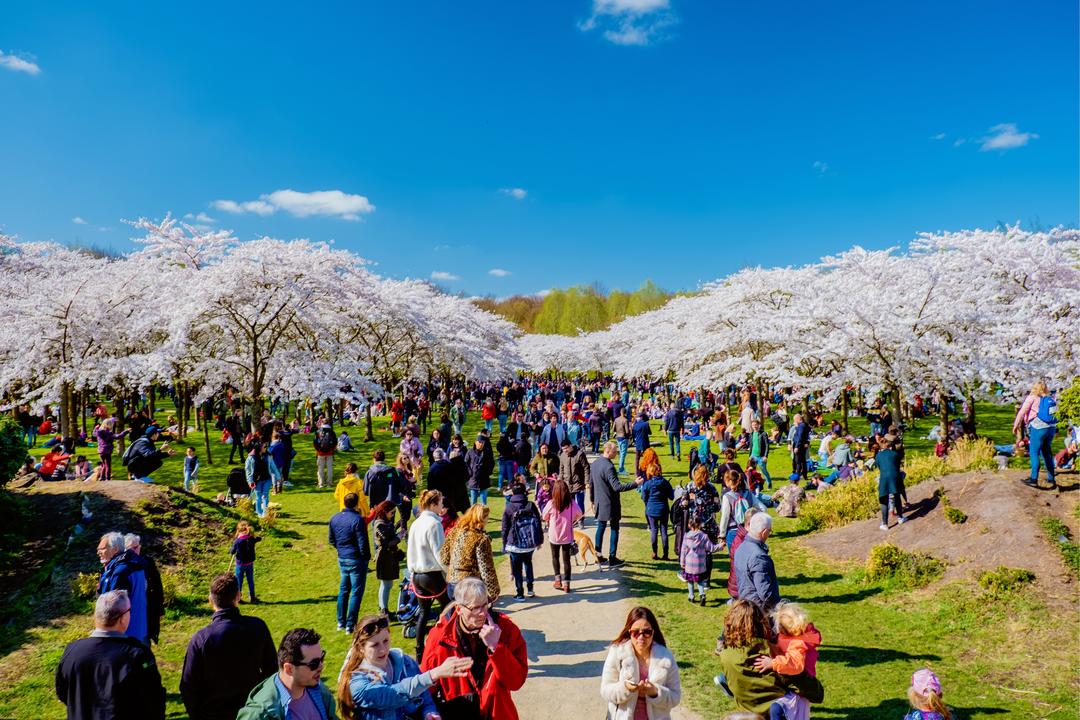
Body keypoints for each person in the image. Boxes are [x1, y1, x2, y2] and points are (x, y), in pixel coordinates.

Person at [420, 576, 529, 720]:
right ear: (459, 609)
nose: (483, 613)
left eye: (485, 605)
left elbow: (516, 682)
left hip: (498, 713)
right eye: (475, 608)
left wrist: (496, 648)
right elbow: (425, 689)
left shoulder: (506, 630)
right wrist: (429, 712)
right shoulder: (439, 638)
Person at [337, 613, 472, 720]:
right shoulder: (357, 681)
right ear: (361, 648)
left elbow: (426, 700)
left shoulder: (406, 662)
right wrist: (433, 674)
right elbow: (393, 694)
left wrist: (429, 713)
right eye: (375, 645)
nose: (383, 649)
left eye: (385, 641)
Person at [55, 590, 166, 720]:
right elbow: (153, 701)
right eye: (130, 611)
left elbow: (63, 693)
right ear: (123, 618)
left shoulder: (72, 651)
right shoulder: (137, 655)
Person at [181, 574, 277, 720]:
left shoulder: (201, 639)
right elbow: (272, 671)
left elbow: (188, 686)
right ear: (238, 596)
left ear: (210, 600)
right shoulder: (257, 627)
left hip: (213, 713)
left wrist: (197, 715)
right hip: (252, 711)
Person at [600, 606, 682, 720]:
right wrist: (625, 688)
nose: (641, 637)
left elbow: (675, 697)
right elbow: (605, 690)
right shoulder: (617, 653)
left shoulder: (666, 658)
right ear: (629, 633)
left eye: (646, 632)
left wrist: (655, 692)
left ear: (653, 632)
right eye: (635, 632)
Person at [236, 628, 338, 719]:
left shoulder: (320, 690)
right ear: (289, 669)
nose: (321, 666)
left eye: (322, 658)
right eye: (314, 663)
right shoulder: (261, 714)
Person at [715, 600, 794, 716]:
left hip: (747, 715)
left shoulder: (726, 655)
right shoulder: (775, 652)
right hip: (776, 714)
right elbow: (811, 690)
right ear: (762, 622)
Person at [752, 602, 822, 720]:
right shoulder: (796, 637)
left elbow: (795, 664)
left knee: (779, 709)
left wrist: (773, 663)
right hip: (795, 685)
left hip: (799, 689)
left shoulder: (798, 643)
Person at [406, 490, 451, 662]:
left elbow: (411, 550)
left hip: (417, 574)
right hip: (432, 575)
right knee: (448, 609)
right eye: (440, 503)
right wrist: (449, 572)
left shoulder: (416, 523)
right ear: (433, 505)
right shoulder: (434, 524)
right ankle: (446, 644)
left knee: (424, 613)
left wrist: (411, 573)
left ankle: (419, 651)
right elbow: (440, 553)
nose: (442, 507)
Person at [590, 441, 642, 568]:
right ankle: (612, 558)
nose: (616, 453)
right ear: (608, 451)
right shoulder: (609, 467)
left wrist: (592, 500)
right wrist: (635, 484)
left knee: (600, 528)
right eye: (615, 451)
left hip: (599, 501)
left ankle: (598, 555)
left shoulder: (595, 463)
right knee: (614, 529)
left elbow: (591, 484)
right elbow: (617, 487)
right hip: (610, 503)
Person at [97, 531, 153, 645]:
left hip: (124, 635)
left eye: (102, 549)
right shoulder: (135, 564)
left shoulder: (120, 571)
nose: (98, 552)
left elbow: (113, 608)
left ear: (115, 549)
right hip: (139, 629)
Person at [440, 504, 501, 603]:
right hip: (470, 585)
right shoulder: (481, 539)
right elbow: (486, 568)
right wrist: (494, 592)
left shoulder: (454, 531)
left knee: (457, 616)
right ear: (482, 519)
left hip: (452, 583)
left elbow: (444, 557)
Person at [329, 492, 371, 634]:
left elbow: (331, 539)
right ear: (357, 503)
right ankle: (350, 624)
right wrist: (366, 557)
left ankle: (341, 622)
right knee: (356, 592)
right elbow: (362, 542)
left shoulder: (334, 518)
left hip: (342, 557)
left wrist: (341, 550)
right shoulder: (357, 520)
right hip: (356, 559)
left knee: (343, 590)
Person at [501, 480, 543, 599]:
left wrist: (504, 543)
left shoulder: (509, 507)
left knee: (517, 569)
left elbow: (504, 528)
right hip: (529, 543)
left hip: (514, 544)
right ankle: (530, 589)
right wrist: (539, 540)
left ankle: (520, 593)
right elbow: (538, 524)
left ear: (512, 494)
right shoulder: (530, 505)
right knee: (528, 564)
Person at [1013, 380, 1058, 489]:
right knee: (1047, 452)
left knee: (1034, 452)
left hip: (1038, 427)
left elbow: (1022, 411)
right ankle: (1051, 479)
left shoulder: (1032, 397)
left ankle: (1033, 478)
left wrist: (1016, 425)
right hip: (1051, 428)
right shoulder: (1051, 398)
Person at [541, 479, 582, 592]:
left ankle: (557, 580)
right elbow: (580, 514)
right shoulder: (571, 503)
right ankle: (567, 584)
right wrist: (572, 519)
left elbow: (544, 516)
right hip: (567, 535)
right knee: (567, 560)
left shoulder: (551, 503)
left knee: (555, 557)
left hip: (554, 535)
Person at [733, 513, 780, 611]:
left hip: (745, 605)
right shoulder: (758, 556)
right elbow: (765, 593)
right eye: (770, 531)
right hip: (759, 612)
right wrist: (779, 606)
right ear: (764, 532)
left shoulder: (741, 547)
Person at [370, 501, 403, 618]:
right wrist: (399, 537)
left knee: (387, 584)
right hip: (384, 557)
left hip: (389, 557)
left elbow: (389, 533)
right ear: (385, 511)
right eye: (392, 512)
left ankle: (383, 607)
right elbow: (386, 543)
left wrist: (398, 526)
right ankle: (384, 610)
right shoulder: (379, 524)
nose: (393, 514)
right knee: (386, 584)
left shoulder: (385, 522)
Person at [679, 517, 720, 606]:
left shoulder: (686, 536)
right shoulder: (703, 536)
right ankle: (702, 594)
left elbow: (683, 550)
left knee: (690, 581)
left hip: (689, 565)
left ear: (689, 525)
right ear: (700, 524)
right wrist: (720, 546)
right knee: (700, 581)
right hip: (700, 565)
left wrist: (682, 562)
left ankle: (691, 596)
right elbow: (711, 548)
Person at [641, 462, 675, 560]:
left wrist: (648, 503)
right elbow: (671, 497)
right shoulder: (665, 482)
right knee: (664, 531)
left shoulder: (647, 484)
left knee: (654, 531)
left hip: (651, 509)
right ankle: (665, 554)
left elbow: (643, 497)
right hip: (663, 509)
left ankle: (654, 552)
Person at [877, 436, 907, 531]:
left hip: (884, 478)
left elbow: (879, 467)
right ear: (889, 446)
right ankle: (900, 518)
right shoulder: (895, 454)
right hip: (895, 476)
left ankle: (885, 524)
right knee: (896, 495)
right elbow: (898, 466)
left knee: (884, 499)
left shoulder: (878, 456)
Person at [246, 441, 281, 518]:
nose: (266, 448)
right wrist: (250, 481)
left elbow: (273, 467)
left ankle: (264, 514)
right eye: (264, 447)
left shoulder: (268, 456)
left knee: (265, 496)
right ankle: (259, 513)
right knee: (258, 497)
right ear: (259, 448)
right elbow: (248, 470)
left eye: (266, 447)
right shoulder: (251, 457)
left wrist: (278, 477)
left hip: (267, 479)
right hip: (257, 481)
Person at [557, 437, 591, 514]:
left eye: (566, 448)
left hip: (579, 484)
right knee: (569, 504)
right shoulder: (562, 455)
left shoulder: (580, 454)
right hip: (567, 484)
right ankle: (572, 519)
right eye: (563, 449)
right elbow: (561, 469)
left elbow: (586, 468)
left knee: (579, 503)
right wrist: (560, 481)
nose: (565, 450)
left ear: (570, 446)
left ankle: (581, 520)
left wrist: (587, 482)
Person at [230, 520, 261, 603]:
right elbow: (258, 539)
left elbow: (232, 552)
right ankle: (252, 597)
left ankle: (238, 598)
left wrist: (233, 549)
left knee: (239, 582)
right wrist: (257, 539)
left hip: (240, 564)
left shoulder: (238, 541)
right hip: (249, 564)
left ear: (239, 530)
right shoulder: (251, 539)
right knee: (250, 581)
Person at [465, 435, 495, 506]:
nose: (481, 444)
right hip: (473, 479)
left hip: (484, 479)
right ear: (475, 442)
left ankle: (483, 516)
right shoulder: (470, 451)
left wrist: (488, 472)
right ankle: (473, 516)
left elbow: (492, 463)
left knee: (483, 502)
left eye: (482, 443)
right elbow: (465, 463)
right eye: (479, 442)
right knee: (473, 501)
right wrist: (470, 472)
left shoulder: (487, 452)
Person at [314, 419, 338, 490]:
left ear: (322, 423)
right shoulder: (332, 432)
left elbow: (315, 442)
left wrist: (317, 450)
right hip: (330, 453)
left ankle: (321, 483)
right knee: (329, 468)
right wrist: (332, 449)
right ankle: (329, 483)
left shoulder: (318, 431)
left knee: (320, 469)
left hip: (320, 453)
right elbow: (335, 442)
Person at [748, 420, 771, 489]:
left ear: (759, 425)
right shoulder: (751, 434)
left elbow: (767, 445)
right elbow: (751, 445)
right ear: (751, 426)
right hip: (753, 456)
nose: (754, 426)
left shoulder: (763, 434)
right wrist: (750, 456)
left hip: (761, 456)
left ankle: (769, 483)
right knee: (751, 471)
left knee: (764, 471)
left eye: (756, 425)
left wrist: (765, 456)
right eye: (753, 425)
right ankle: (753, 485)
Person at [788, 414, 810, 480]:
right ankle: (804, 474)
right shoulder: (804, 425)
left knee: (798, 461)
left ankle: (797, 475)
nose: (794, 421)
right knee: (803, 460)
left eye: (795, 420)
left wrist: (797, 446)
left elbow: (799, 437)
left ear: (798, 419)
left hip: (799, 445)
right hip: (802, 445)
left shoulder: (801, 426)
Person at [613, 408, 632, 473]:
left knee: (621, 453)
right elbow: (627, 431)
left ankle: (621, 467)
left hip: (618, 437)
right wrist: (630, 431)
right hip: (624, 437)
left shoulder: (616, 419)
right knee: (623, 454)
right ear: (625, 413)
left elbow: (613, 429)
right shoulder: (625, 420)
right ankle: (621, 469)